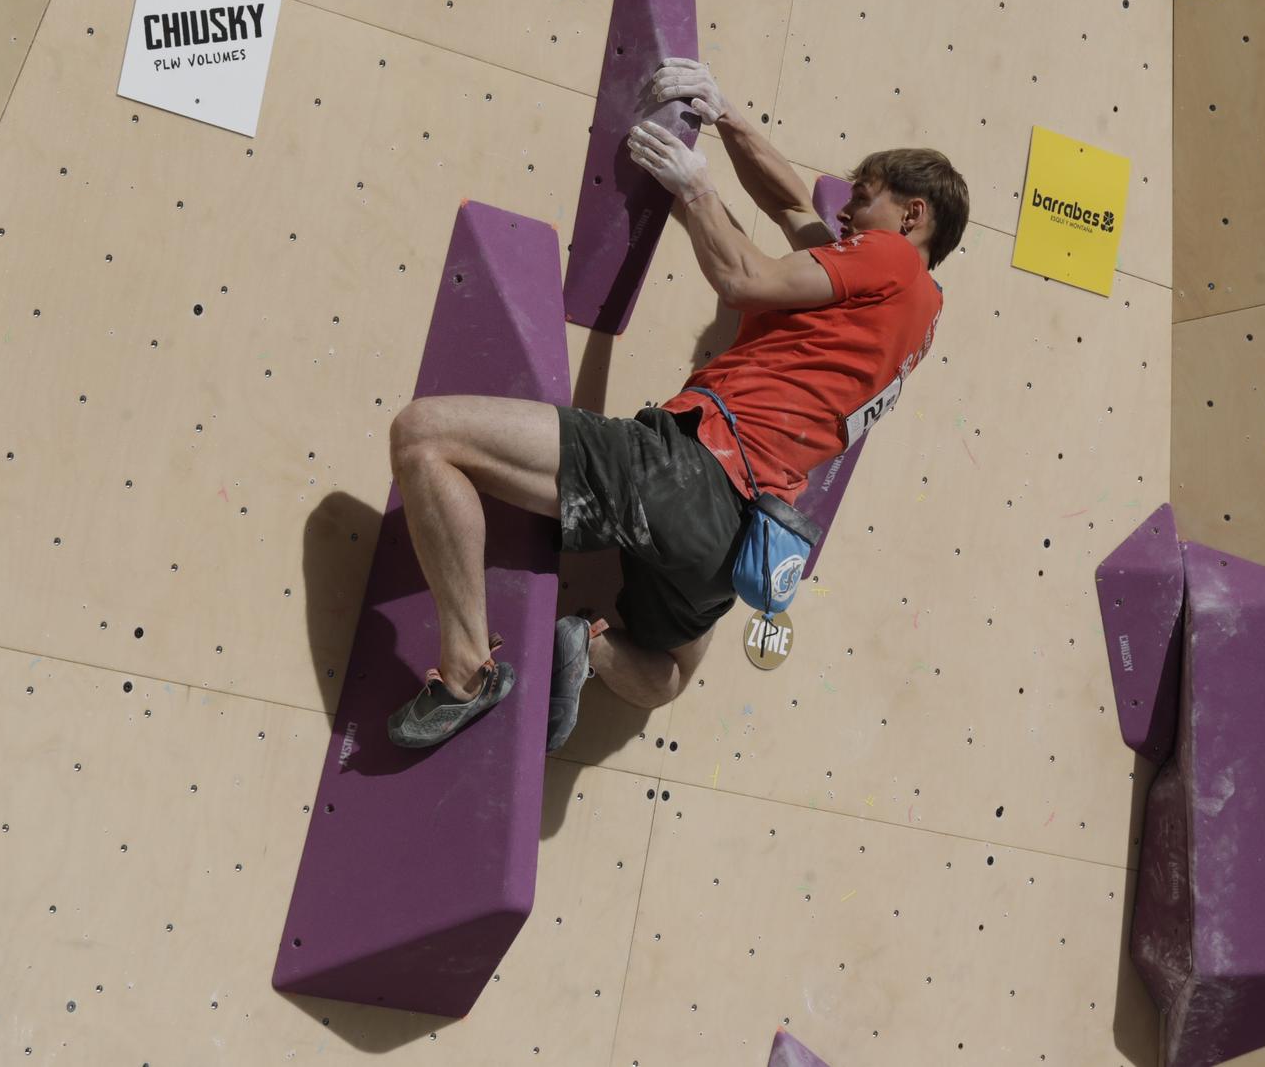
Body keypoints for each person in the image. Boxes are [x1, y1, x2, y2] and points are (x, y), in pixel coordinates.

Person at [387, 57, 967, 750]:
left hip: (691, 467)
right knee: (666, 674)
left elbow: (743, 276)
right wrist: (726, 117)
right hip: (737, 536)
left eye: (864, 196)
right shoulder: (914, 312)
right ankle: (591, 647)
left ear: (913, 214)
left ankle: (463, 675)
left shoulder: (891, 260)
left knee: (426, 437)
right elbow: (792, 207)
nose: (846, 210)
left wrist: (696, 190)